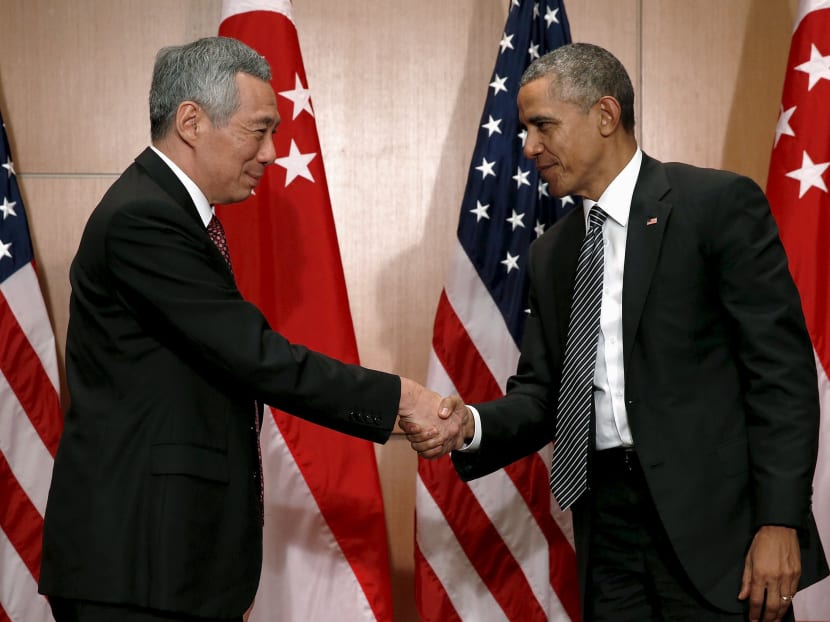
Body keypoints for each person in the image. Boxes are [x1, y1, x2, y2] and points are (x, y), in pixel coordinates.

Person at [39, 36, 458, 622]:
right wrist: (400, 399)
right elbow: (256, 357)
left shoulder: (171, 211)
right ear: (191, 121)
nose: (270, 153)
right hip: (138, 564)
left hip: (165, 564)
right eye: (257, 130)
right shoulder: (144, 218)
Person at [406, 43, 828, 621]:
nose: (528, 147)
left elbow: (780, 376)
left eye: (541, 126)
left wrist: (780, 521)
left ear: (605, 115)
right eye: (525, 130)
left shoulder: (715, 205)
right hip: (604, 529)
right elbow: (542, 395)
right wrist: (470, 426)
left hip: (717, 533)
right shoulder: (552, 253)